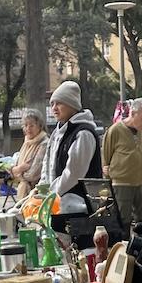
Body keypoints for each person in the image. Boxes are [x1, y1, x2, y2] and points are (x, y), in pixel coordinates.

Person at [41, 80, 100, 228]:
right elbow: (48, 164)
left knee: (80, 249)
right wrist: (42, 188)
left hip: (79, 207)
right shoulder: (58, 131)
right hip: (60, 205)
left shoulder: (83, 133)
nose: (54, 108)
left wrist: (52, 192)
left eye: (59, 103)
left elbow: (74, 174)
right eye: (52, 104)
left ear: (72, 105)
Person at [102, 97, 142, 228]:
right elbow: (106, 157)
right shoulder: (115, 130)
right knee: (123, 220)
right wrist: (107, 176)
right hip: (122, 183)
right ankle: (123, 246)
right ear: (133, 113)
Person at [9, 109, 48, 196]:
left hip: (39, 192)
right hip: (24, 191)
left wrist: (17, 172)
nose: (28, 129)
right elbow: (13, 168)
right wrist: (20, 169)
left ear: (40, 126)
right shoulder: (26, 143)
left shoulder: (44, 144)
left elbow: (33, 175)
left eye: (31, 125)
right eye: (25, 125)